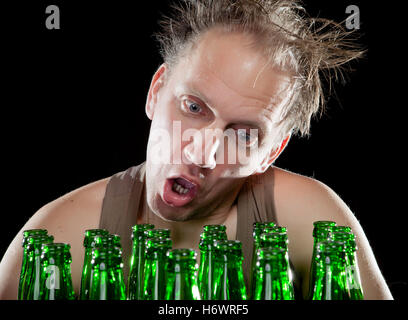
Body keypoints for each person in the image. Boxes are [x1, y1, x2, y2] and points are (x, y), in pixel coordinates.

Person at [0, 0, 393, 300]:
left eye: (241, 135)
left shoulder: (314, 222)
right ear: (156, 91)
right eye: (193, 107)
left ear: (270, 153)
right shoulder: (57, 236)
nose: (202, 154)